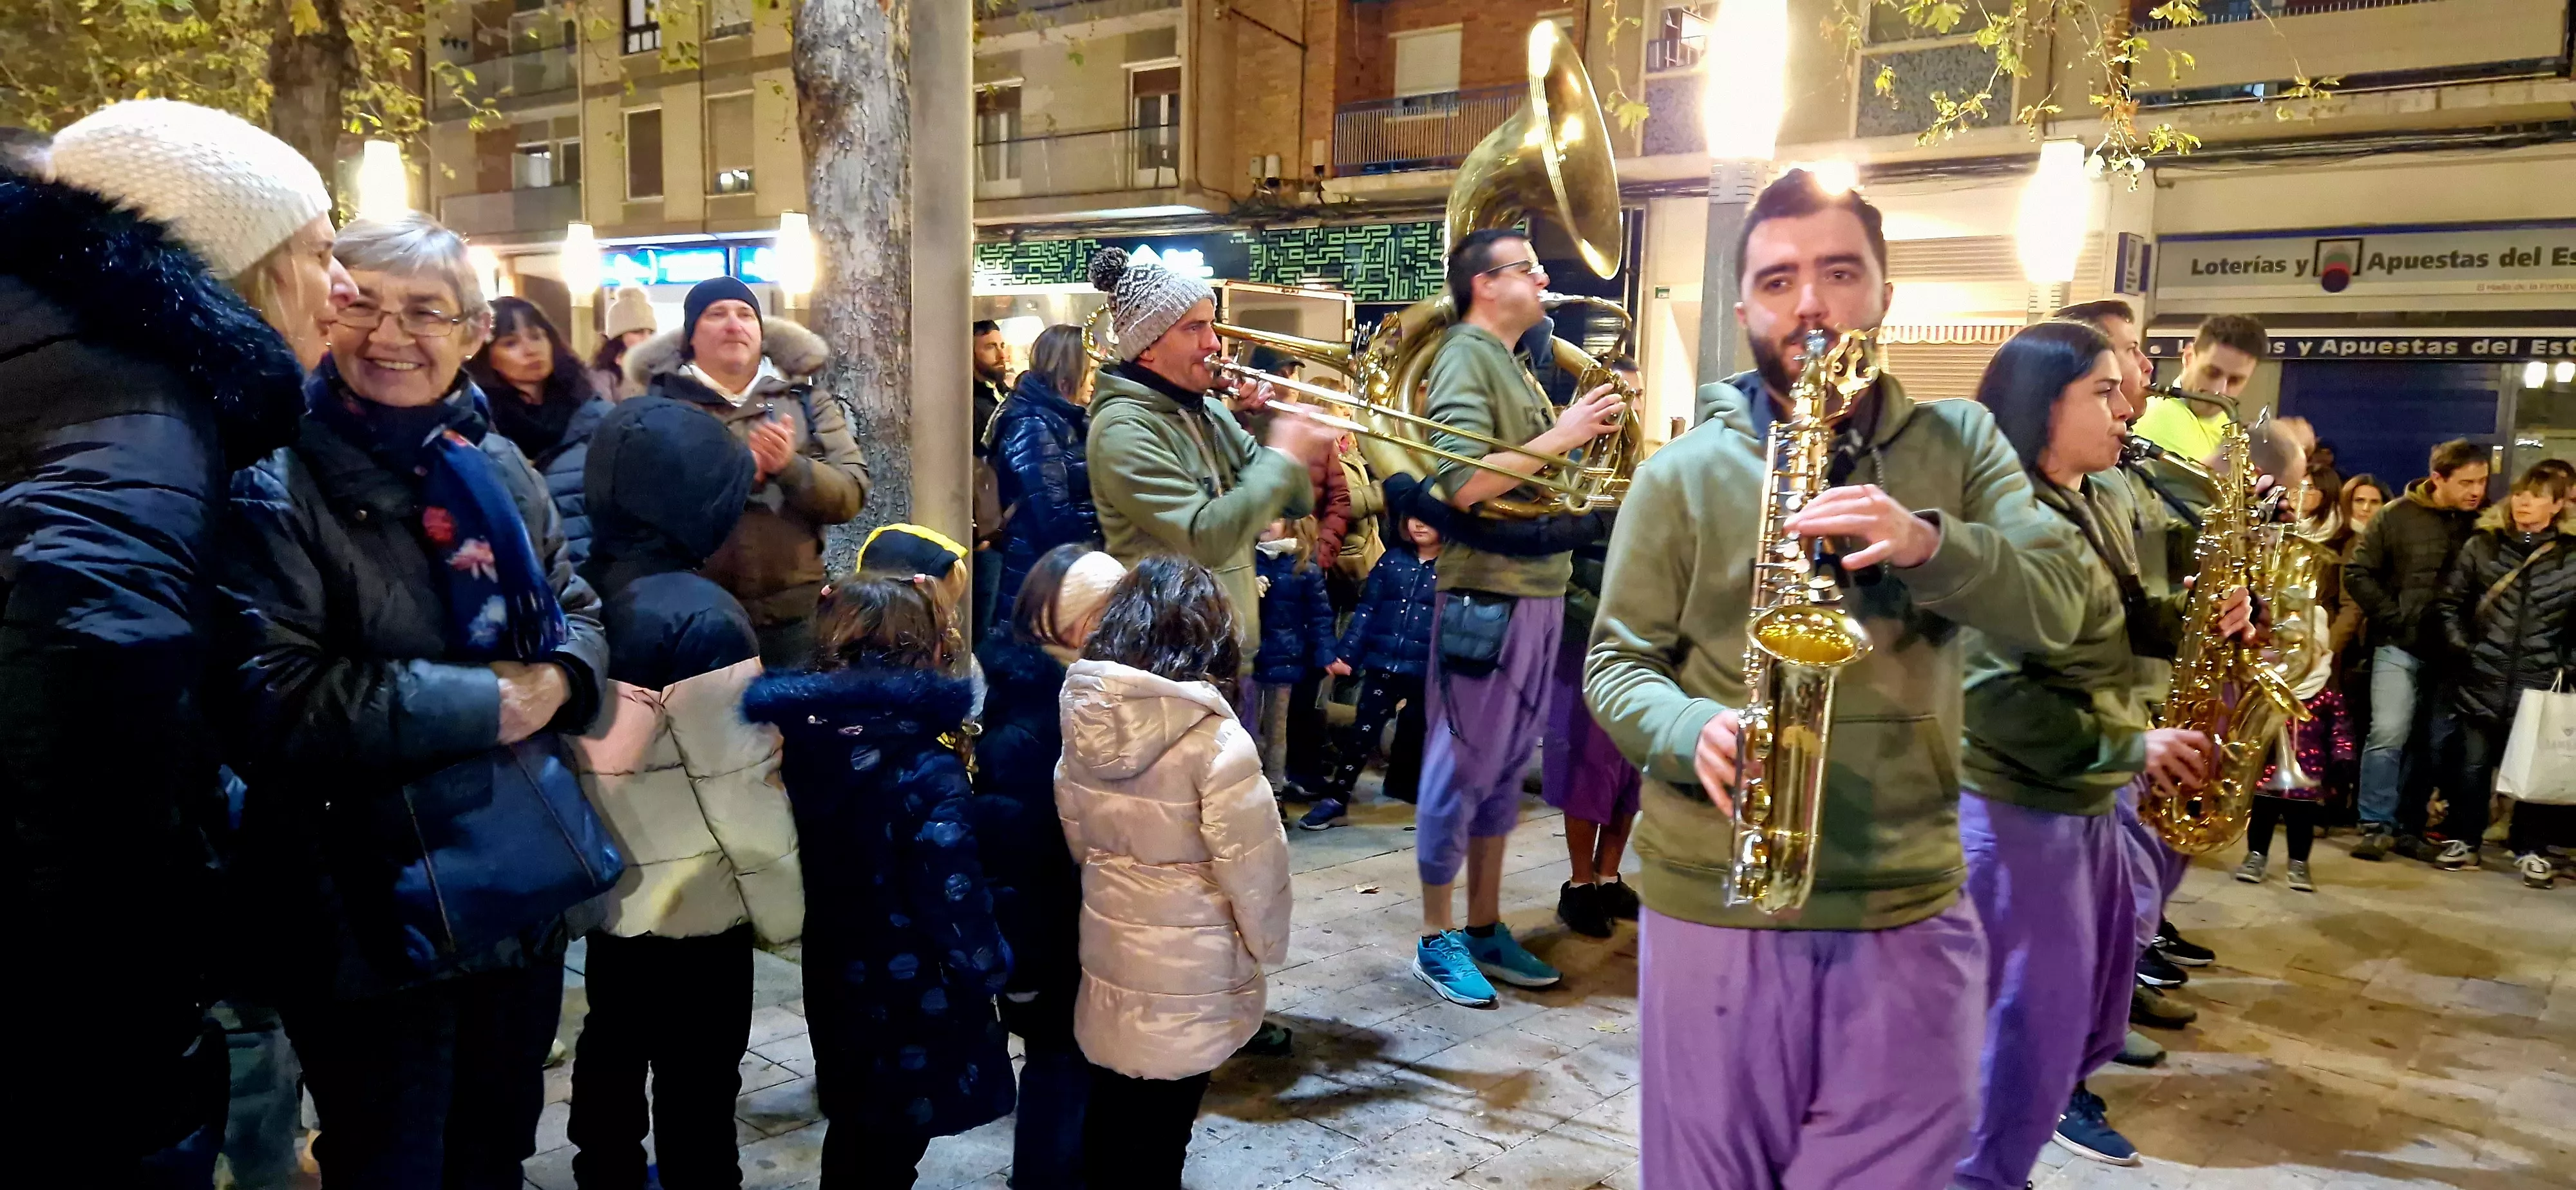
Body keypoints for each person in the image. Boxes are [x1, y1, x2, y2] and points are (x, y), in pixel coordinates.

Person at [1584, 169, 2093, 1190]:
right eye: (1778, 281)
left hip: (1904, 898)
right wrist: (1689, 729)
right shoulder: (1680, 474)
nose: (1810, 304)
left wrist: (1928, 543)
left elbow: (2059, 602)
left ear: (1885, 295)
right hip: (1716, 897)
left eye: (1840, 274)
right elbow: (1616, 663)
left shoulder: (1962, 446)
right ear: (1743, 310)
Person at [222, 212, 611, 1187]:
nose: (391, 336)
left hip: (513, 876)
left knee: (496, 1146)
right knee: (388, 1159)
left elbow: (576, 607)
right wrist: (493, 703)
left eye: (426, 312)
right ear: (327, 311)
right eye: (364, 305)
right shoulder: (272, 470)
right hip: (363, 898)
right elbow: (273, 692)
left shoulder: (496, 461)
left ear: (471, 333)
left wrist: (563, 679)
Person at [5, 97, 347, 1185]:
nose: (345, 288)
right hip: (86, 1059)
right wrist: (142, 1048)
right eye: (320, 254)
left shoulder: (81, 379)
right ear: (240, 270)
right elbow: (85, 728)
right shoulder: (137, 419)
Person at [1954, 321, 2238, 1188]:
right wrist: (2129, 744)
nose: (2128, 409)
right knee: (2011, 1029)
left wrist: (2212, 620)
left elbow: (2135, 611)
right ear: (2044, 405)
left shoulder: (2097, 498)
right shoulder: (1999, 517)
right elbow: (1988, 697)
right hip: (2014, 806)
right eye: (2105, 392)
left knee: (2068, 1014)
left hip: (2078, 797)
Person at [564, 396, 800, 1190]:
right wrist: (787, 911)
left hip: (609, 878)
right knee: (699, 1073)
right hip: (696, 899)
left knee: (612, 1037)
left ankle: (604, 1173)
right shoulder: (703, 617)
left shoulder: (576, 587)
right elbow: (739, 789)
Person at [1408, 227, 1628, 1008]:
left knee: (1501, 777)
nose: (1542, 279)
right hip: (1488, 595)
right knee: (1458, 770)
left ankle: (1482, 925)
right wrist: (1565, 434)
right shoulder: (1465, 356)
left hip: (1535, 590)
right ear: (1484, 284)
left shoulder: (1510, 362)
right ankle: (1435, 937)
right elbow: (1461, 482)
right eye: (1526, 268)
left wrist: (1577, 446)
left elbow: (1530, 475)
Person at [744, 576, 1014, 1189]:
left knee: (858, 1128)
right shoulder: (924, 766)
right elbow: (952, 897)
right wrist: (993, 965)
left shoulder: (800, 742)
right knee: (890, 1149)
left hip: (836, 970)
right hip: (917, 990)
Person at [1056, 554, 1293, 1190]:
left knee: (1109, 1113)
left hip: (1111, 949)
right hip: (1192, 969)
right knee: (1165, 1133)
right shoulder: (1216, 741)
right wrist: (1266, 946)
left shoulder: (1083, 721)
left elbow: (1079, 837)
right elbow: (1255, 869)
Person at [1082, 247, 1335, 662]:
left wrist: (1269, 424)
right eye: (1194, 328)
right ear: (1147, 346)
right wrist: (1284, 454)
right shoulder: (1122, 429)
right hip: (1164, 654)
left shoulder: (1210, 411)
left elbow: (1297, 503)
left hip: (1224, 649)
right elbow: (1204, 539)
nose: (1214, 343)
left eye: (1212, 326)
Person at [972, 544, 1124, 1189]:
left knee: (1071, 1063)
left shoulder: (1060, 693)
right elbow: (1015, 853)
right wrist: (1027, 968)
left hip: (1074, 929)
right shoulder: (1038, 716)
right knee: (1060, 1062)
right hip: (1052, 939)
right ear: (1082, 624)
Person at [626, 276, 871, 668]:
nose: (733, 325)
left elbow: (851, 492)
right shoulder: (655, 408)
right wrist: (734, 477)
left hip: (794, 620)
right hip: (692, 620)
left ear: (761, 333)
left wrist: (790, 467)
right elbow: (634, 507)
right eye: (716, 314)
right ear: (690, 336)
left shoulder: (806, 403)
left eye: (745, 315)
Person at [2345, 437, 2490, 860]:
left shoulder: (2485, 524)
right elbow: (2358, 572)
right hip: (2399, 644)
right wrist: (2395, 619)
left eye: (2482, 481)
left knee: (2432, 743)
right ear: (2438, 478)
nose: (2476, 491)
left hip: (2453, 652)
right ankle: (2375, 824)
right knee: (2388, 733)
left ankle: (2409, 827)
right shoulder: (2397, 516)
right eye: (2466, 482)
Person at [2428, 462, 2576, 876]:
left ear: (2558, 505)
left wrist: (2568, 666)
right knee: (2472, 766)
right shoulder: (2483, 546)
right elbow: (2448, 603)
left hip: (2540, 680)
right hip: (2482, 675)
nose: (2524, 502)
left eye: (2537, 496)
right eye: (2520, 494)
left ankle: (2530, 849)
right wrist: (2465, 650)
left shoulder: (2571, 556)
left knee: (2534, 768)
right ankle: (2466, 840)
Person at [1305, 515, 1443, 826]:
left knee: (1427, 733)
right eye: (1414, 517)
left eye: (1429, 518)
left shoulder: (1454, 567)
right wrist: (1347, 655)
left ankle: (1425, 796)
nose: (1420, 525)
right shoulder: (1392, 561)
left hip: (1429, 668)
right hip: (1384, 664)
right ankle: (1337, 798)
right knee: (1361, 735)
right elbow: (1367, 610)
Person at [469, 296, 613, 569]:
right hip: (527, 572)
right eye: (510, 343)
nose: (530, 350)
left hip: (597, 569)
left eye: (537, 337)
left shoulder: (595, 416)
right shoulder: (479, 429)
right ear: (486, 356)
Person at [989, 323, 1101, 609]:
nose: (1094, 380)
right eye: (1089, 370)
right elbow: (1052, 514)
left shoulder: (1066, 418)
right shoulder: (1033, 423)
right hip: (1041, 572)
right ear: (1067, 371)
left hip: (1057, 567)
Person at [1253, 516, 1336, 797]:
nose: (1265, 522)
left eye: (1275, 518)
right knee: (1247, 726)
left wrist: (1327, 655)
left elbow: (1320, 616)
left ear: (1291, 524)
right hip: (1250, 659)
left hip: (1285, 660)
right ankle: (1247, 786)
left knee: (1276, 731)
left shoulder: (1305, 568)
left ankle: (1274, 790)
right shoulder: (1247, 562)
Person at [2130, 314, 2268, 464]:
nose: (2220, 390)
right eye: (2212, 373)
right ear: (2189, 357)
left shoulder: (2228, 422)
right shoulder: (2157, 415)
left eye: (2235, 381)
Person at [592, 285, 658, 399]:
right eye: (638, 332)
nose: (647, 339)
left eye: (651, 333)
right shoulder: (601, 376)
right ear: (619, 336)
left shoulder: (660, 371)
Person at [974, 317, 1008, 446]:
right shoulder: (972, 407)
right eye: (990, 347)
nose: (1002, 355)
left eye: (1002, 346)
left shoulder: (1005, 392)